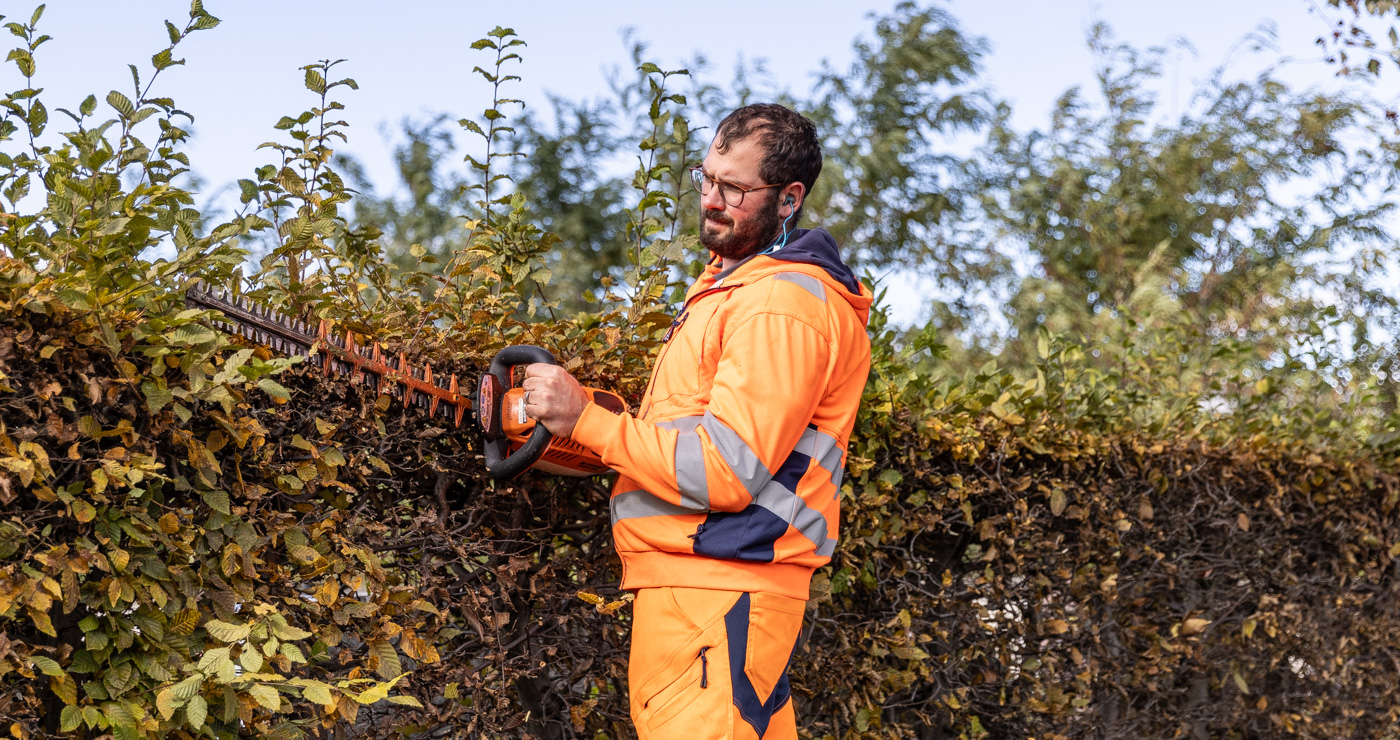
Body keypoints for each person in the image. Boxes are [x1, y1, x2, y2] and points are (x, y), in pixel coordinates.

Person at [522, 103, 872, 740]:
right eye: (705, 178)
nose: (710, 199)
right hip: (704, 597)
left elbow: (725, 470)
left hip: (720, 597)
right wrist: (565, 429)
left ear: (789, 198)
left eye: (734, 188)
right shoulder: (734, 291)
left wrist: (586, 420)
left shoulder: (779, 306)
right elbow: (682, 440)